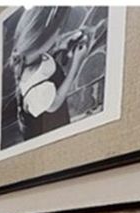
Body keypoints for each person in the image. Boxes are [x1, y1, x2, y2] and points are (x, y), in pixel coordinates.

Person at [9, 6, 95, 142]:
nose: (58, 33)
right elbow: (55, 103)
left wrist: (62, 45)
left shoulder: (29, 57)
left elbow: (46, 57)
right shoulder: (33, 83)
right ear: (40, 38)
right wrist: (76, 63)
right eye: (57, 31)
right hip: (52, 131)